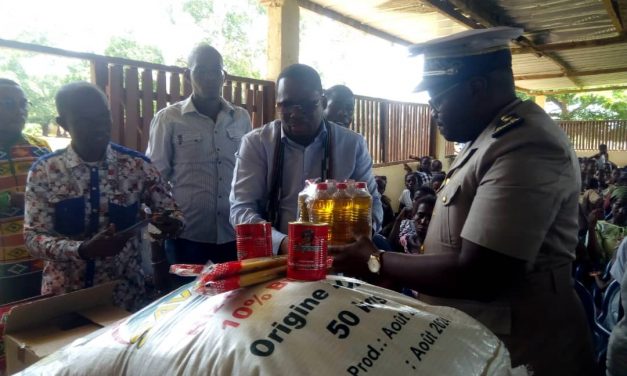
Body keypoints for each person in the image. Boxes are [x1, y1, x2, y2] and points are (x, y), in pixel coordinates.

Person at [330, 27, 596, 375]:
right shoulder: (485, 139)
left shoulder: (525, 144)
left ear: (477, 87)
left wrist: (378, 260)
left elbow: (484, 273)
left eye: (437, 98)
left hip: (526, 352)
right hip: (482, 344)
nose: (433, 111)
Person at [24, 82, 184, 311]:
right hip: (65, 299)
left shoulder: (137, 166)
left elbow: (170, 214)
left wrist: (168, 225)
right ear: (63, 124)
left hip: (125, 299)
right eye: (85, 120)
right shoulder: (45, 171)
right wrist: (82, 249)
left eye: (103, 117)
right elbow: (34, 238)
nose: (98, 127)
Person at [230, 64, 382, 254]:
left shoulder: (352, 145)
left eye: (306, 104)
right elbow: (241, 209)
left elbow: (373, 204)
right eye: (286, 105)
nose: (295, 113)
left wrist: (360, 240)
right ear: (277, 104)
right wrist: (285, 244)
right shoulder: (256, 143)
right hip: (273, 260)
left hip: (338, 261)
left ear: (323, 101)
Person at [147, 44, 252, 265]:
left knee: (233, 299)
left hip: (233, 233)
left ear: (224, 76)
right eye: (201, 71)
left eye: (216, 71)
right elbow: (154, 180)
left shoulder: (241, 118)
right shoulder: (168, 119)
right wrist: (156, 236)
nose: (210, 78)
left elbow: (249, 172)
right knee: (188, 297)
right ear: (187, 75)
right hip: (187, 236)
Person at [0, 79, 51, 305]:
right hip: (2, 272)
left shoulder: (40, 148)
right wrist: (9, 199)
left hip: (42, 263)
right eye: (9, 103)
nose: (20, 111)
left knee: (41, 331)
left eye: (23, 104)